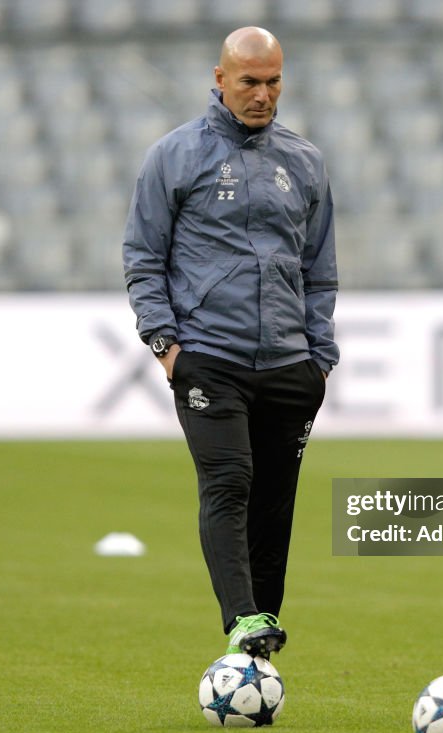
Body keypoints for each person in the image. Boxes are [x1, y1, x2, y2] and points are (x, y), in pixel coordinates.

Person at [122, 26, 339, 659]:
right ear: (219, 79)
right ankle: (242, 618)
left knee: (275, 500)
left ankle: (262, 630)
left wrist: (319, 358)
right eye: (249, 81)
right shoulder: (174, 155)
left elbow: (319, 270)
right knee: (230, 481)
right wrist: (166, 346)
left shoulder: (304, 161)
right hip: (208, 357)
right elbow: (143, 256)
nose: (263, 95)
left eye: (273, 82)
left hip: (290, 363)